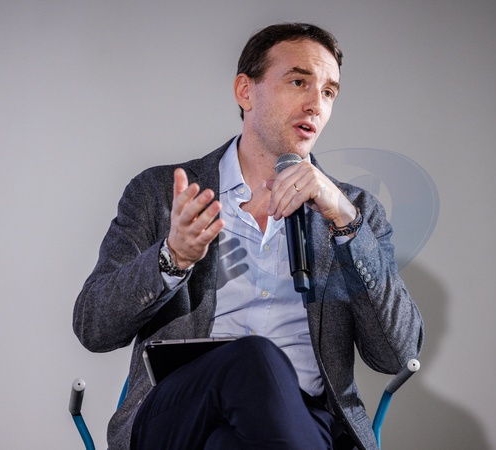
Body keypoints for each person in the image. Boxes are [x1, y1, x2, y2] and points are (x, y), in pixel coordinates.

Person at [73, 22, 423, 450]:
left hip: (303, 418)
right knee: (254, 356)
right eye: (299, 82)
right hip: (180, 414)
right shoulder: (160, 194)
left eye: (329, 92)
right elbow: (94, 327)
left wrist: (347, 224)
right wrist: (172, 258)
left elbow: (395, 354)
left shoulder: (355, 212)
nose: (316, 104)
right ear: (245, 91)